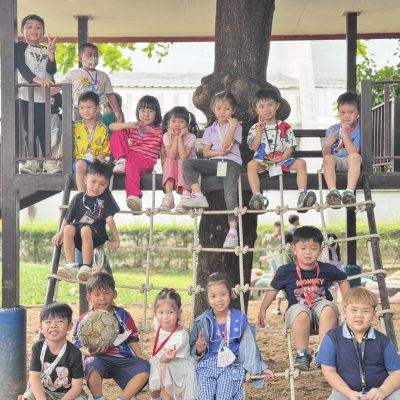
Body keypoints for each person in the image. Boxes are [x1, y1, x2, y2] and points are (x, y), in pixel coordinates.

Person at [258, 226, 350, 370]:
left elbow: (343, 279)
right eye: (303, 248)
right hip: (297, 312)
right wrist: (263, 309)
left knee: (328, 308)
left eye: (313, 248)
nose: (308, 252)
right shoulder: (285, 271)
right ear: (294, 249)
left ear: (320, 251)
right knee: (301, 312)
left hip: (321, 312)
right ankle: (303, 353)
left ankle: (324, 351)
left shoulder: (326, 268)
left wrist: (348, 303)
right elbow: (272, 289)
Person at [190, 272, 274, 400]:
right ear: (207, 299)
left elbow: (250, 346)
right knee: (204, 396)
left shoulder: (239, 319)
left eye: (223, 294)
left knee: (224, 396)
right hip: (206, 366)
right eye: (213, 296)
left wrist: (262, 368)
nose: (218, 299)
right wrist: (198, 349)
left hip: (231, 365)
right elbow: (192, 349)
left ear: (230, 294)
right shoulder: (202, 321)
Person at [73, 273, 150, 400]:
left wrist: (139, 355)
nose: (102, 298)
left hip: (122, 357)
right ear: (89, 298)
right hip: (98, 358)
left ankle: (122, 398)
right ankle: (99, 398)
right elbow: (77, 344)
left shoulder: (122, 315)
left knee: (145, 367)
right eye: (97, 294)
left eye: (107, 293)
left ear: (114, 294)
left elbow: (132, 338)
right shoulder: (85, 319)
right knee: (91, 364)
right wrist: (89, 352)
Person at [182, 91, 242, 248]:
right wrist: (219, 153)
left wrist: (232, 126)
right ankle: (198, 194)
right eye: (219, 108)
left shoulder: (236, 126)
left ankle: (233, 231)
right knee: (187, 164)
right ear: (213, 110)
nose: (223, 112)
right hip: (214, 162)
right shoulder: (210, 129)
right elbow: (206, 152)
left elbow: (226, 144)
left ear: (233, 110)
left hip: (231, 163)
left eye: (227, 109)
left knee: (230, 193)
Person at [317, 287, 400, 400]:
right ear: (344, 313)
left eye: (366, 311)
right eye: (354, 310)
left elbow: (397, 372)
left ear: (374, 315)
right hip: (345, 392)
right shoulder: (332, 338)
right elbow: (329, 371)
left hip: (380, 392)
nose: (359, 315)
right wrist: (348, 393)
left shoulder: (383, 341)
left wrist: (383, 390)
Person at [247, 89, 316, 212]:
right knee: (251, 165)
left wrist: (283, 157)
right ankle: (257, 197)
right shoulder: (254, 128)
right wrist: (259, 133)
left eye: (270, 104)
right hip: (263, 162)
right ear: (257, 110)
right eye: (262, 106)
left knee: (301, 163)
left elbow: (290, 146)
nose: (266, 109)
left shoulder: (285, 127)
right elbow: (254, 147)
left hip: (283, 160)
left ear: (277, 106)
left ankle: (302, 196)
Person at [53, 160, 120, 282]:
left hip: (97, 236)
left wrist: (116, 240)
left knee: (85, 229)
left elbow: (110, 220)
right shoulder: (78, 198)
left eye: (101, 184)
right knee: (68, 228)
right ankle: (71, 266)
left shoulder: (105, 197)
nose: (96, 187)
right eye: (93, 182)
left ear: (106, 185)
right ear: (85, 180)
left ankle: (86, 267)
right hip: (80, 236)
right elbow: (67, 219)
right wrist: (60, 233)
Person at [16, 14, 58, 174]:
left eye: (38, 27)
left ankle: (48, 161)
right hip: (26, 95)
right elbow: (21, 66)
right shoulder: (20, 47)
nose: (34, 29)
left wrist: (52, 56)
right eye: (29, 26)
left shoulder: (45, 49)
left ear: (43, 32)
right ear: (23, 31)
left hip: (44, 97)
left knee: (44, 130)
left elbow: (52, 70)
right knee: (29, 129)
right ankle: (31, 161)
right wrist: (37, 80)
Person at [21, 302, 87, 400]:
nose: (53, 326)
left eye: (60, 321)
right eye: (48, 322)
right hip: (44, 392)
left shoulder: (75, 353)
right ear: (41, 328)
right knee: (28, 397)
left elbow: (76, 388)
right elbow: (34, 377)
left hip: (67, 394)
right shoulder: (38, 348)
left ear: (69, 326)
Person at [109, 95, 163, 212]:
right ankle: (121, 160)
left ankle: (134, 197)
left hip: (146, 160)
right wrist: (129, 125)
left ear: (157, 113)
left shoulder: (160, 129)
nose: (146, 114)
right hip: (130, 157)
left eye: (151, 111)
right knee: (117, 134)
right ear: (138, 112)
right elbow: (112, 127)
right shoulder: (134, 126)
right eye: (142, 110)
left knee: (131, 164)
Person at [149, 288, 197, 400]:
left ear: (179, 313)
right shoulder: (157, 322)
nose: (165, 317)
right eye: (161, 312)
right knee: (154, 380)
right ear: (155, 312)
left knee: (163, 374)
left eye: (170, 312)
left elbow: (166, 360)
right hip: (161, 360)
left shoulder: (180, 337)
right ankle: (156, 397)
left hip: (176, 366)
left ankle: (166, 396)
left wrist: (159, 360)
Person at [60, 43, 123, 122]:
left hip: (96, 111)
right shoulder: (73, 74)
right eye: (89, 55)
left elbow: (110, 94)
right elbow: (59, 87)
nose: (93, 57)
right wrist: (47, 87)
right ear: (80, 58)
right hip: (78, 111)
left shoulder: (103, 76)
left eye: (96, 55)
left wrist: (117, 112)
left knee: (98, 129)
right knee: (78, 130)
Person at [323, 91, 361, 206]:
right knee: (328, 159)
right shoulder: (332, 129)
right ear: (338, 112)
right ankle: (333, 192)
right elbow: (326, 154)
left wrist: (344, 133)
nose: (346, 116)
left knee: (354, 157)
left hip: (351, 163)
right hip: (336, 161)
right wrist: (328, 145)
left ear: (358, 112)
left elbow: (353, 152)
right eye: (342, 112)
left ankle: (349, 193)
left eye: (351, 112)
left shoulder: (360, 129)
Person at [159, 106, 199, 213]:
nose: (177, 124)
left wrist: (179, 137)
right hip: (172, 168)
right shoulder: (166, 136)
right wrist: (176, 138)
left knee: (182, 162)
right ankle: (168, 197)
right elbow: (171, 155)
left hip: (188, 168)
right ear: (168, 123)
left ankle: (186, 195)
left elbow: (183, 156)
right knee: (169, 160)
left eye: (181, 121)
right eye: (173, 121)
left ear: (187, 124)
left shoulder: (191, 137)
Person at [73, 91, 110, 192]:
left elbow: (106, 148)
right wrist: (60, 152)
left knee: (100, 171)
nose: (85, 110)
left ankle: (97, 196)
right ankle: (82, 195)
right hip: (81, 159)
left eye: (89, 107)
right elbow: (65, 140)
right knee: (80, 164)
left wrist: (98, 159)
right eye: (82, 108)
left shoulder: (103, 128)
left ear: (97, 109)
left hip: (98, 160)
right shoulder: (75, 126)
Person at [260, 221, 285, 315]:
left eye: (281, 229)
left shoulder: (280, 238)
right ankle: (267, 298)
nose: (280, 231)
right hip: (272, 259)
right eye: (279, 229)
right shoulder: (270, 237)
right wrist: (265, 238)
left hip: (278, 259)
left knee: (275, 278)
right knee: (274, 278)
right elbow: (263, 244)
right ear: (275, 228)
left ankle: (270, 299)